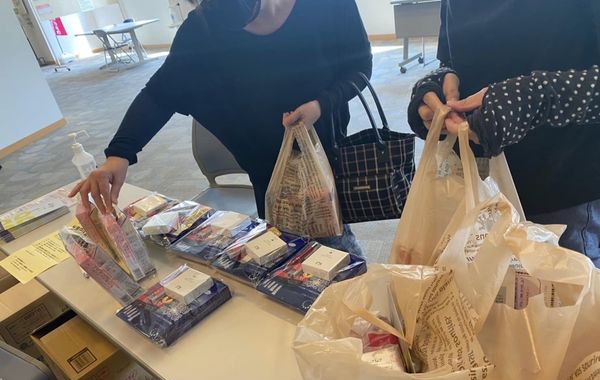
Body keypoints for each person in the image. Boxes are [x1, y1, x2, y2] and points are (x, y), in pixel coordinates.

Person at [69, 0, 372, 255]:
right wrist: (119, 155)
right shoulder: (204, 25)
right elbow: (160, 94)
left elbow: (359, 67)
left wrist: (321, 104)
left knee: (337, 251)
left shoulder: (326, 5)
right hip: (267, 173)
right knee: (289, 259)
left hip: (323, 159)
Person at [407, 0, 600, 267]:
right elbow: (454, 57)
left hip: (561, 193)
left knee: (563, 290)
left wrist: (536, 97)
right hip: (475, 188)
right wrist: (439, 86)